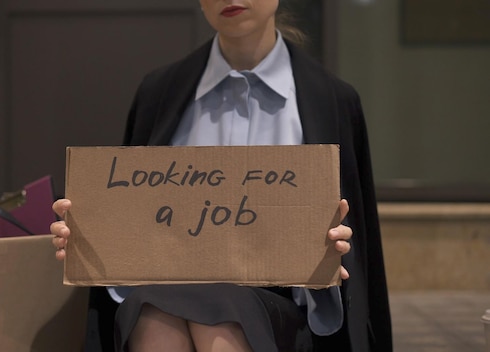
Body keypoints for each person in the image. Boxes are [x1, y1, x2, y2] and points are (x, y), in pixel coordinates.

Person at [52, 0, 392, 351]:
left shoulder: (332, 100)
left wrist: (331, 249)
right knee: (153, 309)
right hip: (164, 291)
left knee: (207, 311)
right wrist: (92, 234)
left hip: (278, 304)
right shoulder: (158, 93)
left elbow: (360, 253)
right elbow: (134, 219)